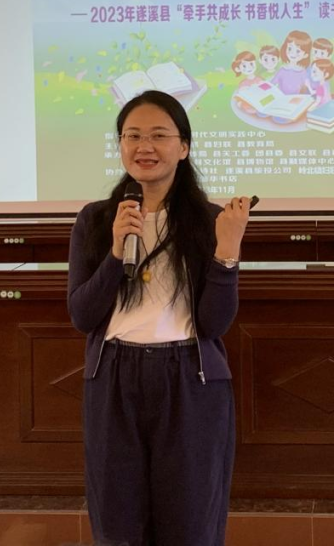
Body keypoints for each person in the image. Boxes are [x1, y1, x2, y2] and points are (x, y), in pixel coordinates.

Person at [68, 90, 253, 546]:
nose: (143, 147)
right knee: (118, 523)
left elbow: (214, 324)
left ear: (183, 147)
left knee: (190, 522)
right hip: (114, 377)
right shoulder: (97, 220)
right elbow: (82, 314)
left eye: (158, 136)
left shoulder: (209, 220)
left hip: (189, 378)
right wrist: (116, 253)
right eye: (132, 136)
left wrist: (228, 251)